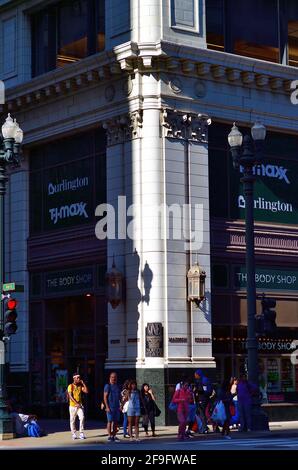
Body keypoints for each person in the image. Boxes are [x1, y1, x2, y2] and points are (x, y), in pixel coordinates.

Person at [67, 373, 88, 440]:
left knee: (82, 417)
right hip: (73, 406)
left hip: (79, 406)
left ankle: (81, 433)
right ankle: (74, 433)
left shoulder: (80, 386)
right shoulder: (70, 386)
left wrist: (83, 383)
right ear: (74, 379)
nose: (79, 379)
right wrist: (76, 403)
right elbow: (70, 396)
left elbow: (86, 391)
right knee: (72, 420)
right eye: (77, 378)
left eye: (79, 377)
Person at [104, 371, 121, 442]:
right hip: (110, 407)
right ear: (110, 378)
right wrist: (107, 407)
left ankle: (114, 435)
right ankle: (109, 436)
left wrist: (121, 405)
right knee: (109, 421)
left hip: (117, 407)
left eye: (115, 377)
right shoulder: (108, 386)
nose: (113, 378)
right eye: (112, 377)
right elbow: (105, 397)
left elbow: (120, 397)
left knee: (116, 422)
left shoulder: (118, 386)